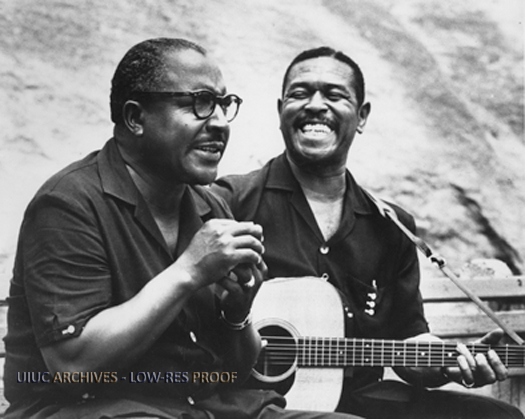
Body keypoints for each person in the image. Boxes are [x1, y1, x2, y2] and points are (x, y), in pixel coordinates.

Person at [3, 39, 359, 419]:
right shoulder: (68, 204)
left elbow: (236, 373)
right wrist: (188, 272)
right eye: (200, 103)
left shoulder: (211, 208)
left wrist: (237, 313)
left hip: (203, 408)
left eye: (223, 104)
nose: (219, 122)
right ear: (135, 117)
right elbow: (74, 367)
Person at [212, 46, 524, 419]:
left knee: (498, 416)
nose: (315, 105)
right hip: (251, 405)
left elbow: (408, 342)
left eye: (334, 95)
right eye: (300, 93)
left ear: (361, 116)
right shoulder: (230, 201)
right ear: (281, 110)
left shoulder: (392, 226)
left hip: (364, 399)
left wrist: (447, 365)